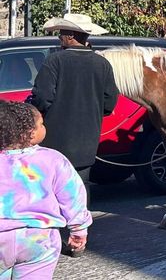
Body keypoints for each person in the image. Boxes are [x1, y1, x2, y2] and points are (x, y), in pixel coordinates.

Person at [0, 100, 92, 278]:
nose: (44, 126)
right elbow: (73, 197)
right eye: (41, 123)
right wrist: (79, 229)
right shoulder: (53, 159)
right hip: (39, 239)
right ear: (30, 133)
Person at [28, 13, 119, 182]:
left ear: (70, 36)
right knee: (80, 186)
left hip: (54, 140)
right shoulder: (102, 64)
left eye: (61, 33)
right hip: (87, 140)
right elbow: (110, 101)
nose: (59, 37)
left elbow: (42, 97)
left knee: (54, 186)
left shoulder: (55, 61)